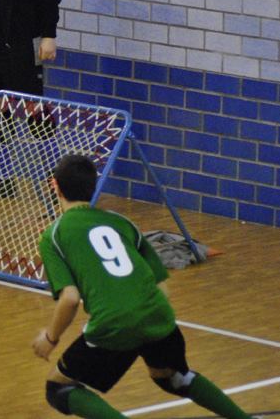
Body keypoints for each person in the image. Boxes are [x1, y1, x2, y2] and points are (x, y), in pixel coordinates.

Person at [32, 154, 257, 419]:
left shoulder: (54, 235)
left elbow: (70, 299)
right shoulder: (122, 222)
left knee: (58, 387)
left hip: (114, 323)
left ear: (53, 185)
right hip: (157, 313)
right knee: (172, 378)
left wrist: (50, 338)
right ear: (94, 186)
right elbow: (161, 284)